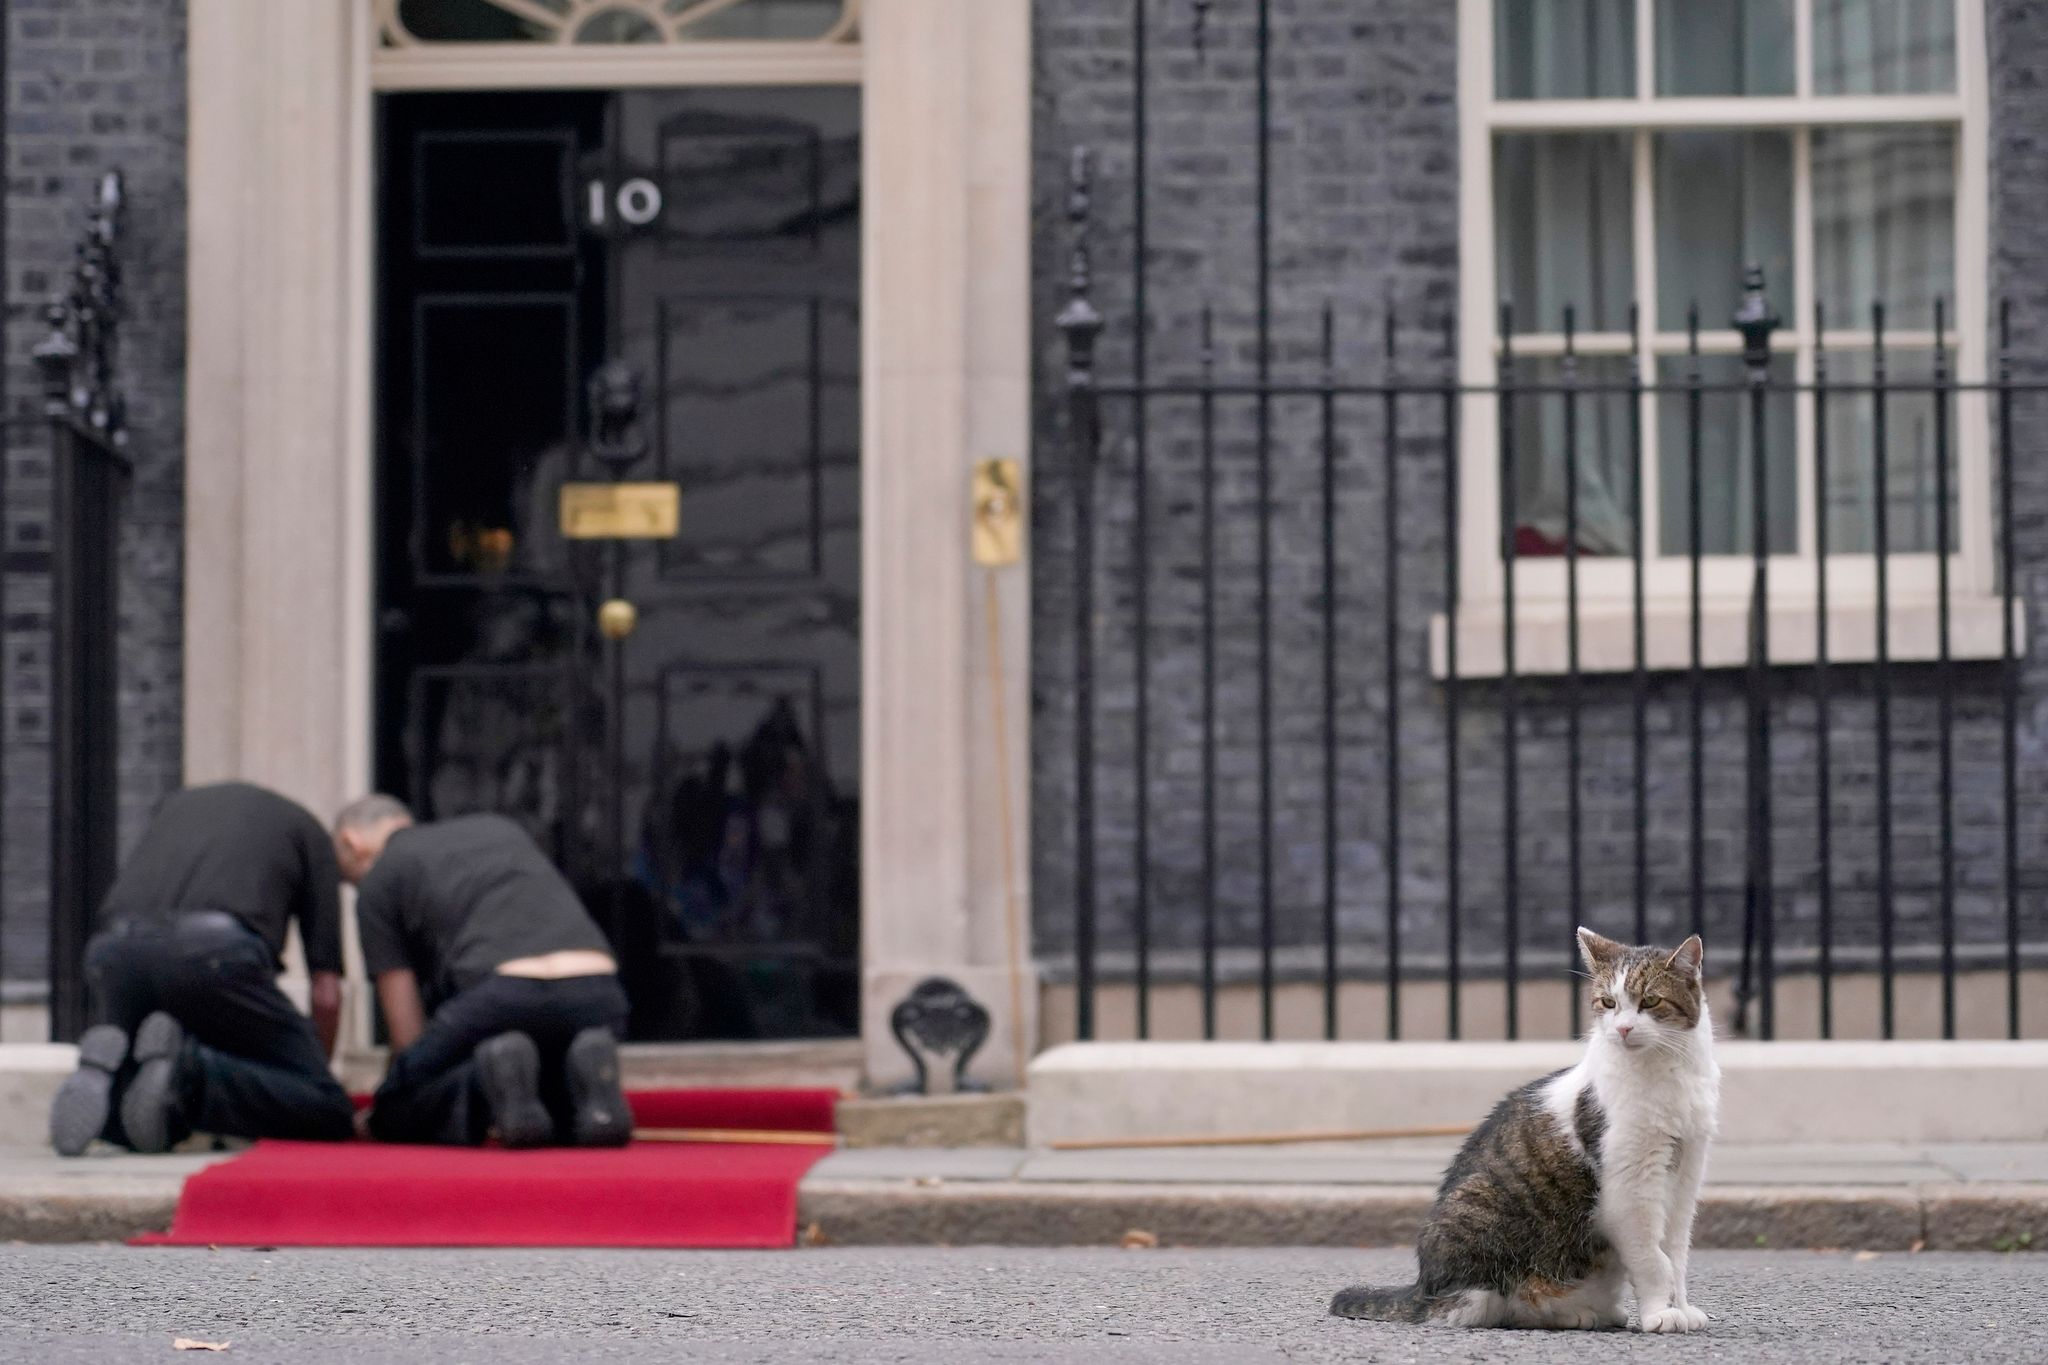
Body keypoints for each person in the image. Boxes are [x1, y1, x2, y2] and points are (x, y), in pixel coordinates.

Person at [49, 782, 356, 1156]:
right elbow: (326, 994)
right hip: (213, 955)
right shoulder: (313, 835)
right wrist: (311, 1076)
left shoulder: (174, 809)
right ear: (349, 841)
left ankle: (113, 1085)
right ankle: (188, 1072)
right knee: (326, 1108)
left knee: (150, 1085)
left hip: (113, 952)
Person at [332, 795, 632, 1148]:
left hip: (502, 995)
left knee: (398, 1104)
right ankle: (587, 1091)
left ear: (351, 843)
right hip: (599, 995)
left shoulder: (379, 878)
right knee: (538, 1068)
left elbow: (406, 1033)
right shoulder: (498, 828)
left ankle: (483, 1084)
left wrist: (393, 1095)